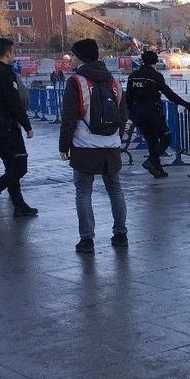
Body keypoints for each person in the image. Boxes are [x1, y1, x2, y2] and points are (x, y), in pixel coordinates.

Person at [59, 39, 128, 254]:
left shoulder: (76, 82)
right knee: (115, 189)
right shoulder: (114, 82)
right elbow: (123, 115)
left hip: (84, 146)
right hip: (111, 146)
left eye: (74, 55)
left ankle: (87, 239)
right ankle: (120, 234)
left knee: (83, 192)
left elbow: (69, 118)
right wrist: (116, 137)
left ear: (80, 57)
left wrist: (64, 145)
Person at [0, 38, 37, 218]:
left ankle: (19, 204)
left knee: (11, 165)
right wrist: (27, 125)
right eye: (13, 53)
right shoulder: (5, 73)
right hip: (7, 125)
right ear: (8, 53)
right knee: (20, 166)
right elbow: (15, 102)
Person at [125, 50, 190, 178]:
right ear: (156, 61)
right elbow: (169, 94)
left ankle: (158, 170)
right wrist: (186, 104)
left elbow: (128, 97)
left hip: (138, 114)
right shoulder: (155, 75)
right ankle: (152, 161)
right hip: (152, 113)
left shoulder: (133, 76)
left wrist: (131, 114)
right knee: (166, 138)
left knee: (151, 141)